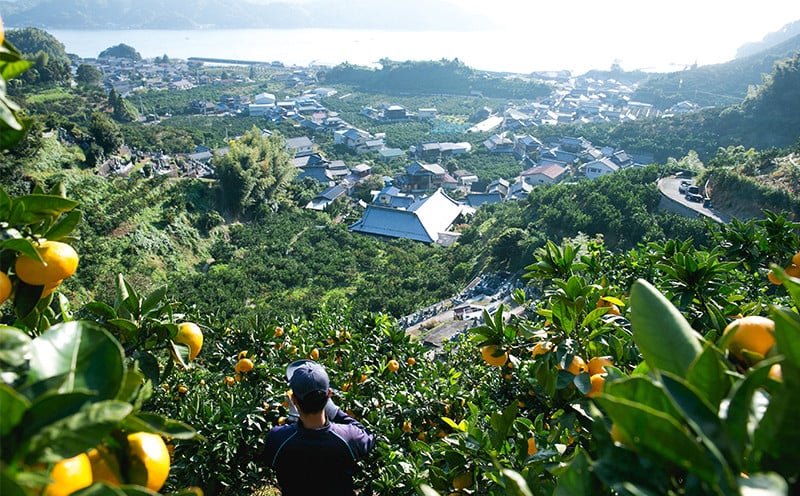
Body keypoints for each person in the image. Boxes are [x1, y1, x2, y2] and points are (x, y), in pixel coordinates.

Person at [263, 359, 375, 495]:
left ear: (294, 400)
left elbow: (271, 459)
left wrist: (293, 420)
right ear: (329, 395)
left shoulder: (278, 439)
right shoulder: (348, 437)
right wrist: (334, 411)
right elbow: (368, 435)